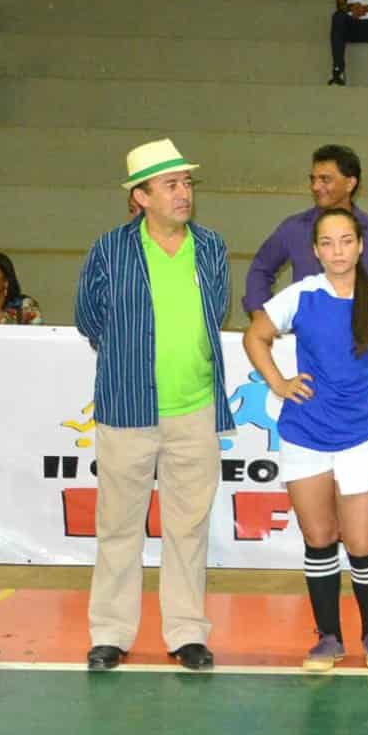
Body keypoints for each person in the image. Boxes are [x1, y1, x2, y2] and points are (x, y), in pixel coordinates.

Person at [75, 139, 234, 672]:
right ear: (141, 196)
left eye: (186, 182)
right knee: (119, 526)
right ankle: (110, 633)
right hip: (127, 409)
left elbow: (216, 309)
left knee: (188, 527)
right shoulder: (109, 249)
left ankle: (187, 632)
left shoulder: (211, 247)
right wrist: (131, 360)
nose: (183, 193)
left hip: (196, 408)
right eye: (170, 185)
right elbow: (89, 318)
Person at [244, 208, 368, 671]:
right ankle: (328, 638)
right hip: (304, 435)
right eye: (327, 243)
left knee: (362, 543)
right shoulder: (300, 295)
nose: (337, 251)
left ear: (360, 246)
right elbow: (256, 337)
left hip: (361, 437)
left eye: (346, 241)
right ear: (316, 251)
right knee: (319, 539)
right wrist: (279, 383)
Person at [243, 144, 368, 327]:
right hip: (304, 340)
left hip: (361, 341)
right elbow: (261, 270)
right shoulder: (293, 229)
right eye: (313, 179)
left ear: (350, 183)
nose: (316, 186)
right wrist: (261, 316)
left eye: (325, 179)